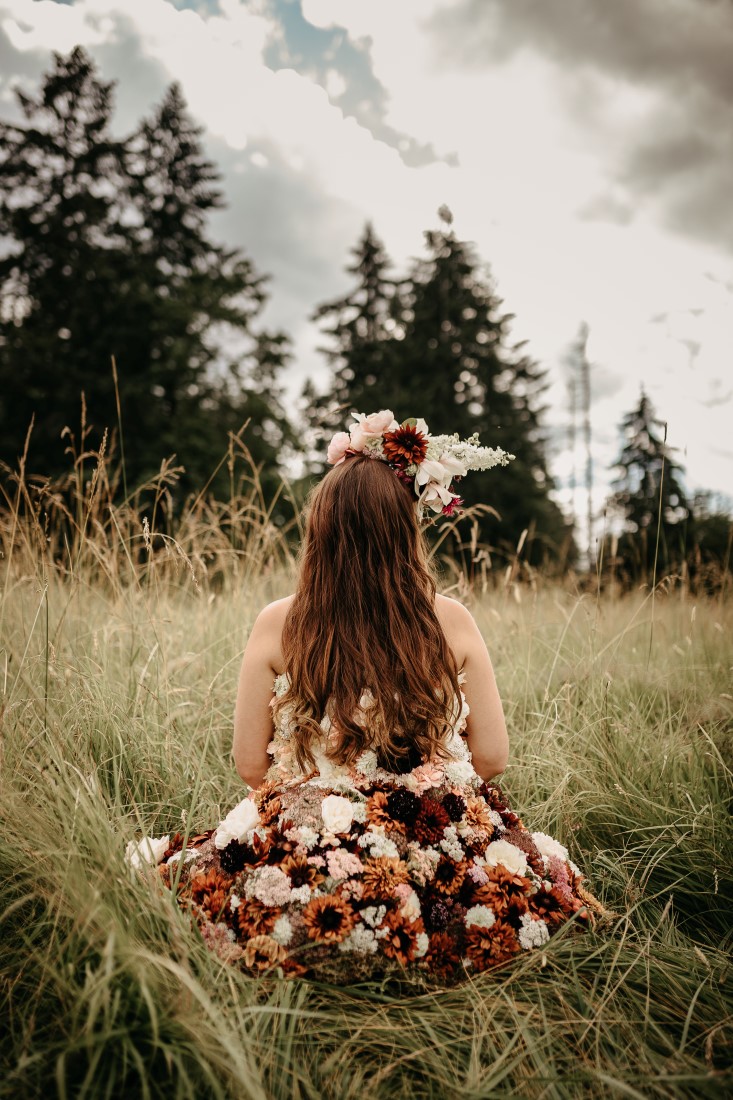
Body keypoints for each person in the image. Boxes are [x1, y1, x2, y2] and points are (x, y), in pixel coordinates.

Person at [129, 411, 597, 982]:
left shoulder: (278, 623)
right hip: (435, 828)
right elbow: (493, 758)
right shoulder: (452, 621)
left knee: (220, 893)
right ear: (405, 528)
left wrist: (326, 790)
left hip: (313, 830)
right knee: (510, 901)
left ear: (320, 530)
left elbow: (250, 764)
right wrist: (420, 788)